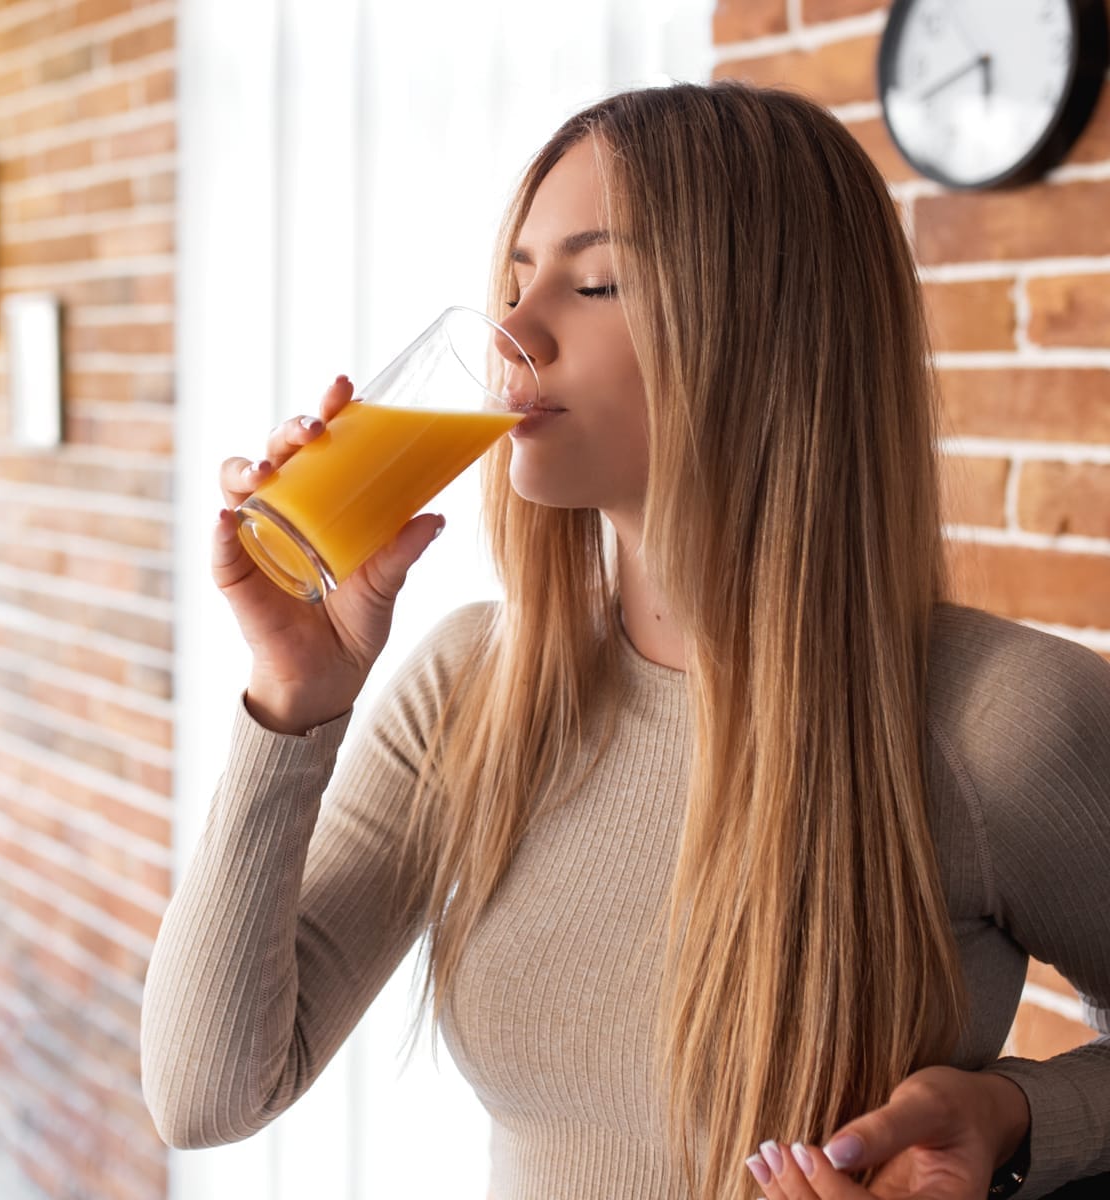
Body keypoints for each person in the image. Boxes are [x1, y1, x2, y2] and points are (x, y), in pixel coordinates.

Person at [140, 81, 1110, 1200]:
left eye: (594, 282)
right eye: (516, 279)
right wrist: (290, 700)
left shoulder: (1004, 718)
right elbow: (205, 1095)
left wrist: (1016, 1119)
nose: (512, 332)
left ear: (770, 328)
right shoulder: (471, 686)